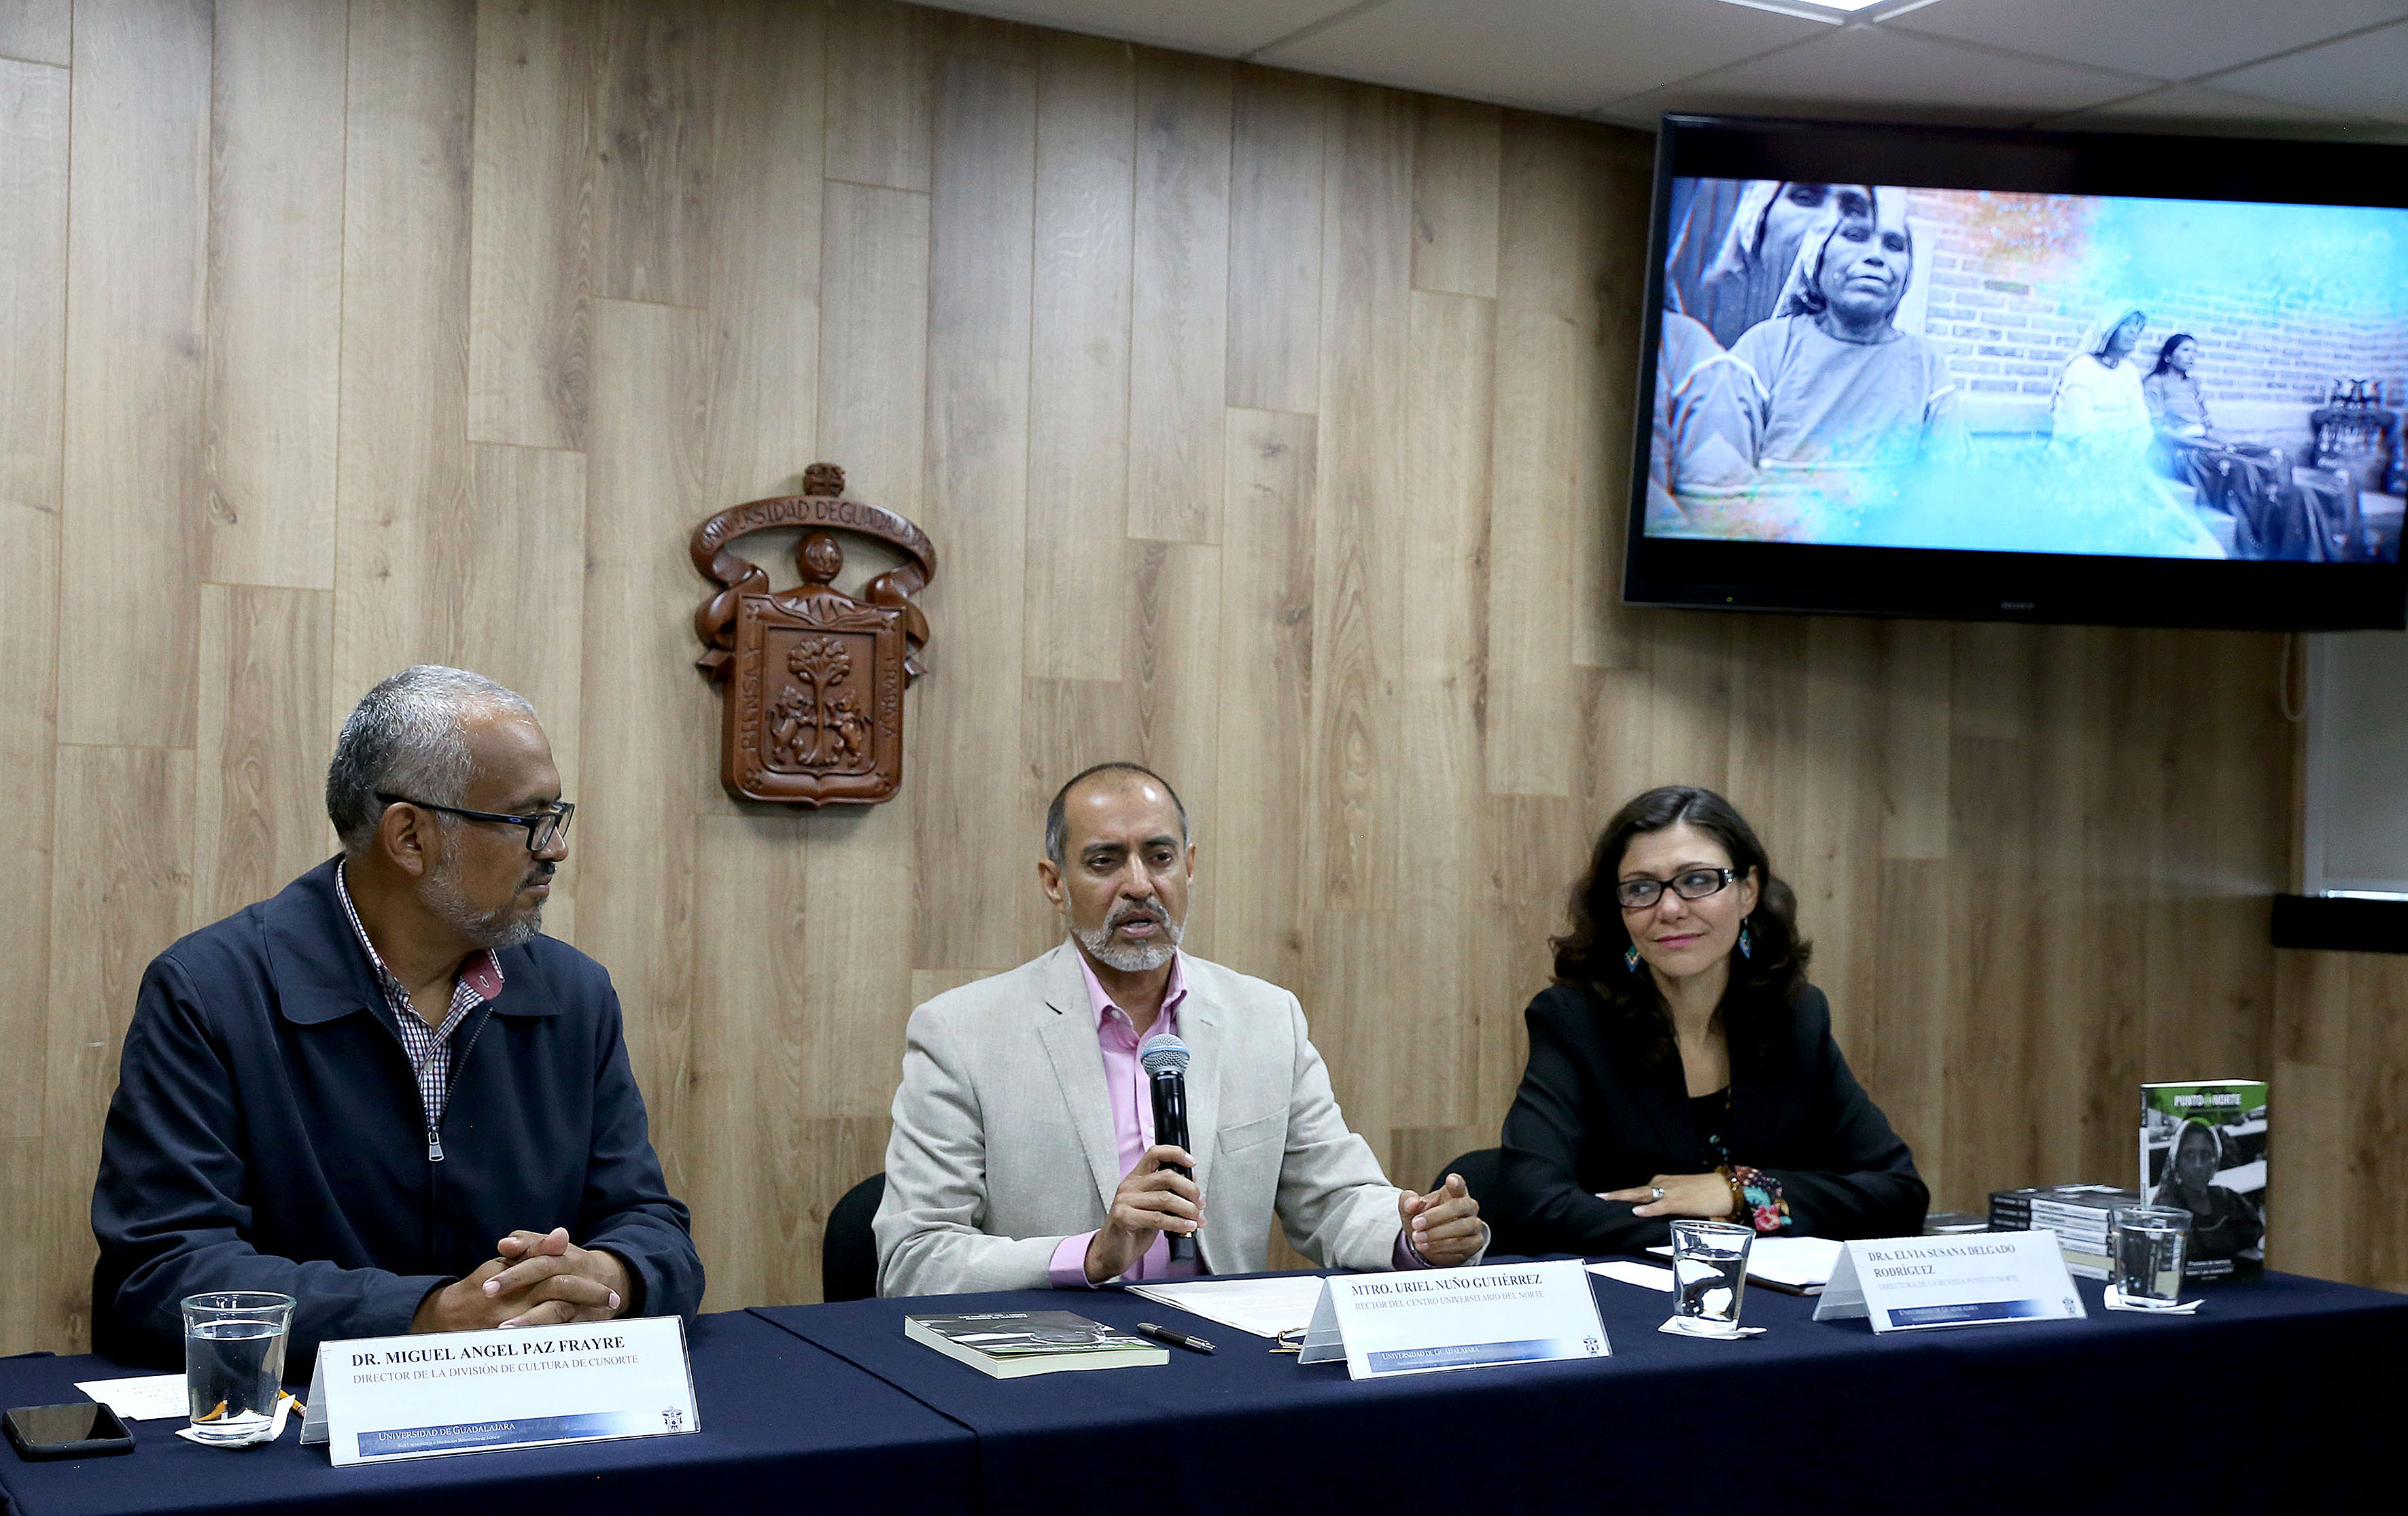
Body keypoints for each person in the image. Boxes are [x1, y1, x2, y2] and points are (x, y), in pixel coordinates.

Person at [92, 666, 702, 1367]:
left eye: (556, 817)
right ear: (410, 837)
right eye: (527, 821)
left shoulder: (575, 993)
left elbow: (652, 1227)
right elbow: (164, 1272)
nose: (554, 848)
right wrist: (423, 1316)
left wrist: (607, 1276)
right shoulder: (211, 992)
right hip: (296, 1419)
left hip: (537, 1401)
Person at [873, 762, 1486, 1295]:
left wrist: (1416, 1234)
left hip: (1218, 1355)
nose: (1139, 885)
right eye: (1104, 861)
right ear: (1054, 882)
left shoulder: (1265, 1019)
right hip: (1052, 1355)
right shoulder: (962, 1033)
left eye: (1159, 857)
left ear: (1188, 867)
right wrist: (1090, 1256)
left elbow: (1334, 1199)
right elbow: (914, 1260)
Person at [1495, 786, 1926, 1256]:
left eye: (1698, 880)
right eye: (1640, 888)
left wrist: (1739, 1191)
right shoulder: (1574, 1021)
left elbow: (1899, 1193)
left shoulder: (1795, 1017)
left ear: (1748, 891)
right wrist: (1730, 1226)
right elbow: (1535, 1206)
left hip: (1771, 1294)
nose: (1670, 909)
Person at [2046, 305, 2224, 557]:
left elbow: (2141, 426)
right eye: (2127, 326)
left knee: (2178, 527)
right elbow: (2081, 430)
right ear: (2109, 330)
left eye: (2138, 328)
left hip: (2124, 460)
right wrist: (2112, 457)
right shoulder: (2082, 368)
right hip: (2083, 461)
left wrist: (2128, 455)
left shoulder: (2128, 370)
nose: (2134, 333)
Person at [2142, 333, 2297, 559]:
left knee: (2275, 456)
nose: (2192, 356)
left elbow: (2207, 425)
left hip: (2206, 442)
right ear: (2168, 356)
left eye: (2195, 351)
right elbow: (2160, 432)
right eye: (2185, 350)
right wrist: (2204, 446)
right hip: (2184, 449)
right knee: (2241, 468)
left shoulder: (2192, 384)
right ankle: (2252, 539)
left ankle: (2278, 528)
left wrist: (2223, 445)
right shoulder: (2155, 383)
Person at [2150, 1119, 2264, 1269]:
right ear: (2176, 1162)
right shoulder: (2166, 1210)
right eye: (2189, 1155)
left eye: (2205, 1155)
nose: (2198, 1165)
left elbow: (2255, 1242)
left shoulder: (2230, 1201)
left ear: (2215, 1161)